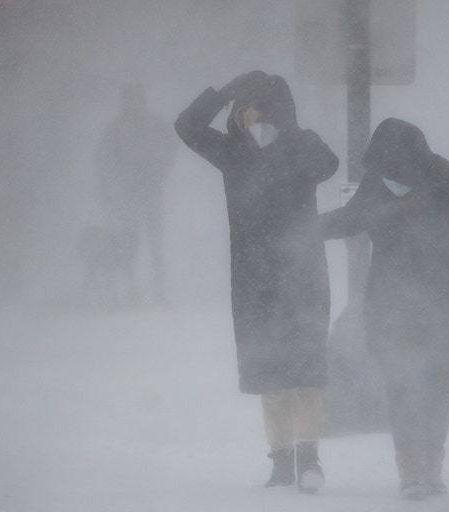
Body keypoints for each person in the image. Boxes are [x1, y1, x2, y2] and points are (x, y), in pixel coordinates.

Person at [174, 71, 338, 493]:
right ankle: (281, 461)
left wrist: (291, 134)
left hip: (302, 274)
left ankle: (309, 458)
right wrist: (224, 91)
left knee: (305, 373)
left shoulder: (301, 146)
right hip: (254, 278)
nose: (251, 116)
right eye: (243, 108)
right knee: (270, 375)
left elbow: (329, 164)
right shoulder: (232, 153)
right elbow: (187, 127)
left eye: (261, 107)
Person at [320, 118, 449, 500]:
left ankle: (431, 466)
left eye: (393, 162)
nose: (389, 172)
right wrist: (300, 228)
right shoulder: (377, 185)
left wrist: (442, 184)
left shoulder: (447, 177)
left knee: (437, 390)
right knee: (402, 388)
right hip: (395, 308)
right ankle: (412, 468)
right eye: (382, 164)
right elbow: (348, 219)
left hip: (445, 305)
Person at [95, 82, 176, 303]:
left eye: (136, 100)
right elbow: (103, 161)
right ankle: (132, 287)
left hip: (149, 190)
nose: (133, 106)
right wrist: (109, 189)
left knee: (153, 240)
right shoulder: (116, 129)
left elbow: (170, 149)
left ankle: (158, 288)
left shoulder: (155, 126)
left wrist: (159, 170)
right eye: (130, 100)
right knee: (129, 240)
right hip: (128, 192)